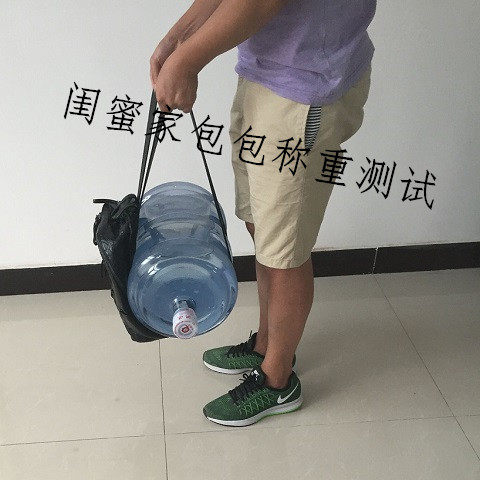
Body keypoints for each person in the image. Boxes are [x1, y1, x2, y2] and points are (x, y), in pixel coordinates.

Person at [150, 0, 376, 427]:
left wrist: (187, 58)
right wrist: (176, 41)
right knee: (264, 227)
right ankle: (267, 347)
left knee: (284, 248)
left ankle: (277, 380)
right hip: (265, 75)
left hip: (303, 92)